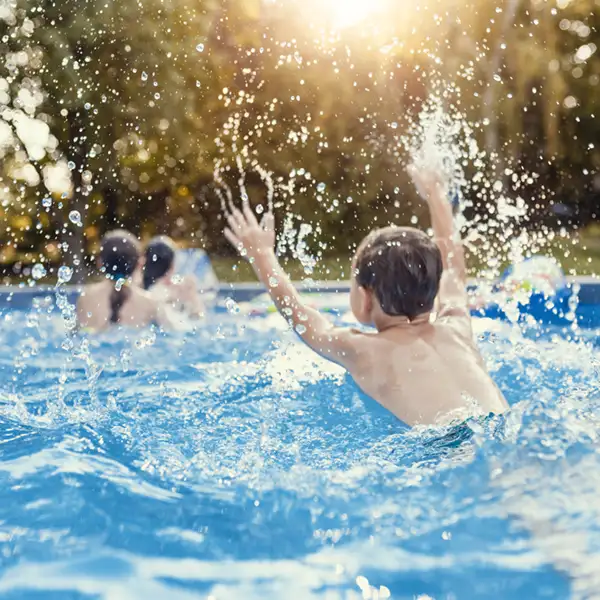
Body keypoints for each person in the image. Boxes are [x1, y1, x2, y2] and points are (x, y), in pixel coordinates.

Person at [224, 166, 509, 426]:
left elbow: (300, 316)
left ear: (365, 296)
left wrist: (262, 257)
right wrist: (435, 192)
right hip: (502, 427)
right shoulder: (457, 326)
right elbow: (454, 267)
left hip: (449, 446)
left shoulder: (363, 350)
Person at [77, 230, 172, 331]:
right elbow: (172, 333)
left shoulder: (86, 298)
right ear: (139, 263)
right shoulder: (151, 303)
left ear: (100, 263)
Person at [142, 236, 205, 319]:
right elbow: (197, 321)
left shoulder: (138, 290)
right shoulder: (175, 292)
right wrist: (193, 297)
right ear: (172, 266)